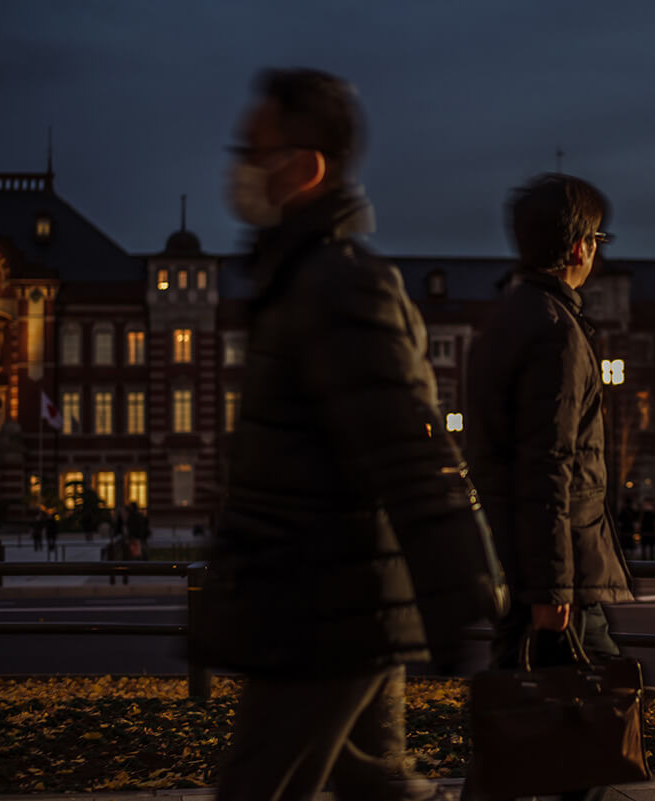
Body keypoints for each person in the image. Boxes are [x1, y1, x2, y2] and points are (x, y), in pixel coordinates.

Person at [193, 68, 503, 801]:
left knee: (256, 788)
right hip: (327, 601)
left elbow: (415, 454)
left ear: (304, 166)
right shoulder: (296, 278)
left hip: (327, 612)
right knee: (376, 787)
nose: (238, 167)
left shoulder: (338, 285)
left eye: (253, 149)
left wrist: (465, 610)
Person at [465, 173, 633, 801]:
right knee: (593, 717)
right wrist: (554, 584)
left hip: (518, 554)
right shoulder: (557, 330)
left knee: (516, 720)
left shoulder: (503, 319)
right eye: (597, 238)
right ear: (579, 248)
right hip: (555, 565)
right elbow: (549, 461)